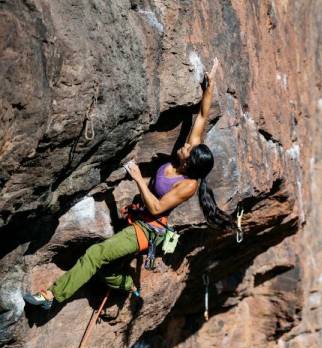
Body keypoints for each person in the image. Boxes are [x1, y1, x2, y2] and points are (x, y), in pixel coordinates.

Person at [24, 57, 233, 311]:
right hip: (140, 218)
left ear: (190, 165)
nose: (186, 145)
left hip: (148, 230)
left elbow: (157, 208)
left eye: (188, 149)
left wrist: (138, 180)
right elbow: (201, 116)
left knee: (95, 254)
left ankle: (52, 297)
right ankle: (128, 285)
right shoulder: (187, 156)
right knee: (106, 272)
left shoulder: (188, 184)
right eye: (189, 145)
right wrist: (209, 87)